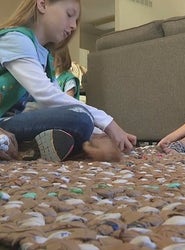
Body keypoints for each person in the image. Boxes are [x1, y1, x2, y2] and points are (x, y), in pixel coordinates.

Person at [0, 0, 136, 162]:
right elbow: (47, 95)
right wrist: (108, 123)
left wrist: (102, 135)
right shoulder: (16, 39)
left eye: (76, 21)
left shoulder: (45, 56)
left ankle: (26, 146)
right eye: (69, 15)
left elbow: (55, 104)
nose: (73, 26)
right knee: (80, 119)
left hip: (9, 122)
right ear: (42, 4)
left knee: (79, 120)